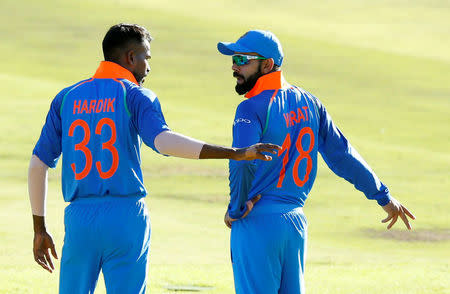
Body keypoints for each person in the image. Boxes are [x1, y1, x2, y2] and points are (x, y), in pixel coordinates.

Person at [28, 24, 280, 294]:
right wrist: (234, 152)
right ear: (130, 58)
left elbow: (37, 165)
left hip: (78, 219)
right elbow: (164, 142)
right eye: (146, 58)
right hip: (126, 217)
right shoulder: (135, 95)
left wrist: (39, 228)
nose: (148, 67)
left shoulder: (66, 98)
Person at [217, 30, 416, 294]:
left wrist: (237, 208)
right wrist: (383, 196)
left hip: (257, 222)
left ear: (267, 65)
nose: (234, 65)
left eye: (243, 59)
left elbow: (242, 162)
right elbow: (343, 155)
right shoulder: (311, 103)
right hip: (296, 226)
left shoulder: (250, 108)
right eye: (234, 58)